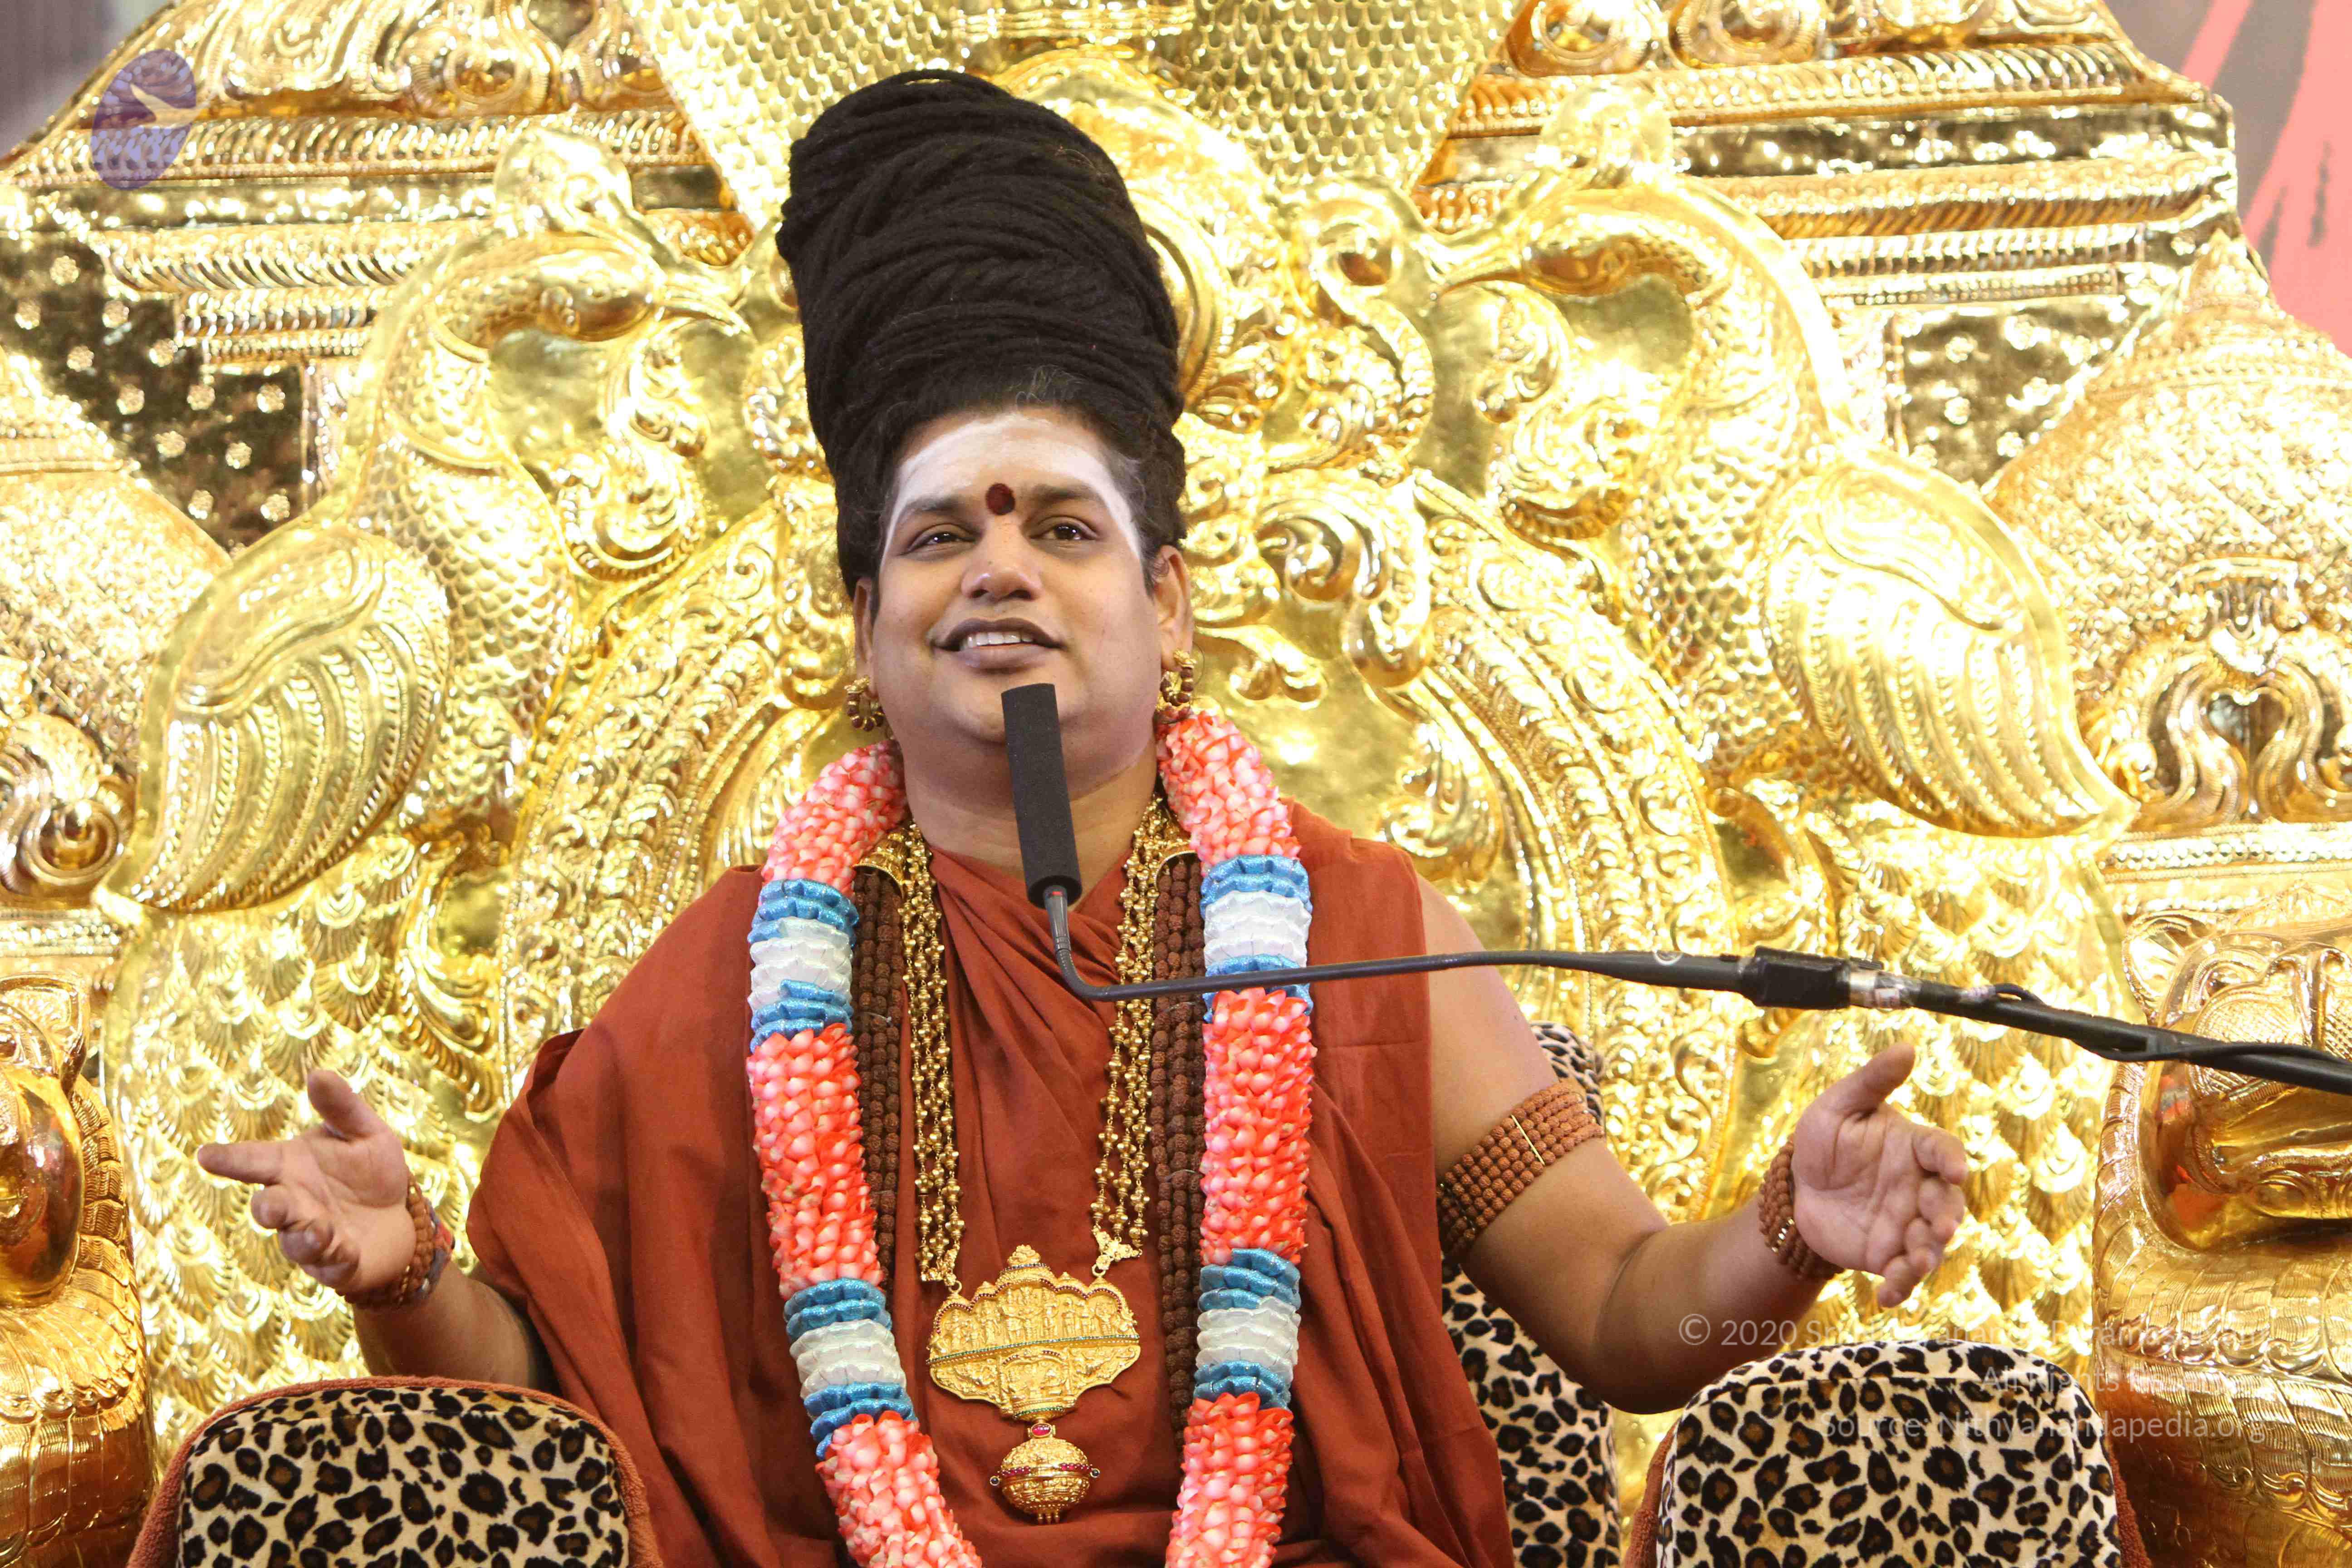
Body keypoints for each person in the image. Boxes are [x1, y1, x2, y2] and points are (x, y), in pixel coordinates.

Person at [196, 71, 1968, 1568]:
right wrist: (403, 1275)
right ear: (866, 622)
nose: (1000, 571)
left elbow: (1636, 1324)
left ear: (1168, 603)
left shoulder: (1356, 929)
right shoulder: (733, 976)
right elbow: (540, 1426)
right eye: (939, 534)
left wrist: (1786, 1240)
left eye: (1060, 527)